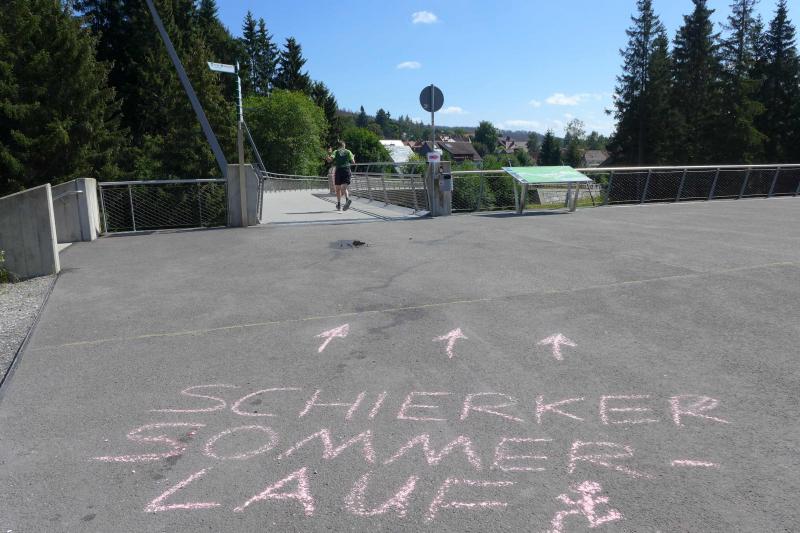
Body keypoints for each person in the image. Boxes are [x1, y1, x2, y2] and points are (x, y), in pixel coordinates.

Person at [327, 141, 355, 211]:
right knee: (344, 188)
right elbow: (353, 162)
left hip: (339, 171)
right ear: (344, 146)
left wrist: (328, 155)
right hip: (346, 170)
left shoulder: (336, 151)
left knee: (338, 189)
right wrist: (353, 157)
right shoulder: (348, 151)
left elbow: (330, 160)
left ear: (338, 146)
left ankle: (339, 204)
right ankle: (347, 200)